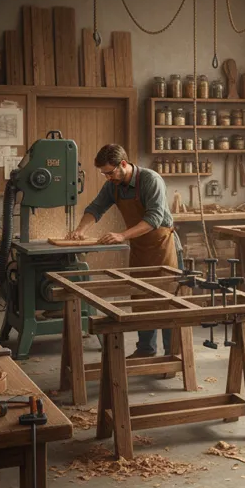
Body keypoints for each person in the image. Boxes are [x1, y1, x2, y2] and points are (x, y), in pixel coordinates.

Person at [68, 143, 183, 358]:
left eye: (109, 172)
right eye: (104, 174)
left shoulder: (150, 180)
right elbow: (96, 207)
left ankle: (172, 354)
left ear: (123, 164)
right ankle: (145, 350)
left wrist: (121, 235)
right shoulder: (113, 184)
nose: (107, 177)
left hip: (162, 247)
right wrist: (80, 229)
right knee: (141, 299)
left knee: (167, 303)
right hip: (140, 247)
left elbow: (154, 219)